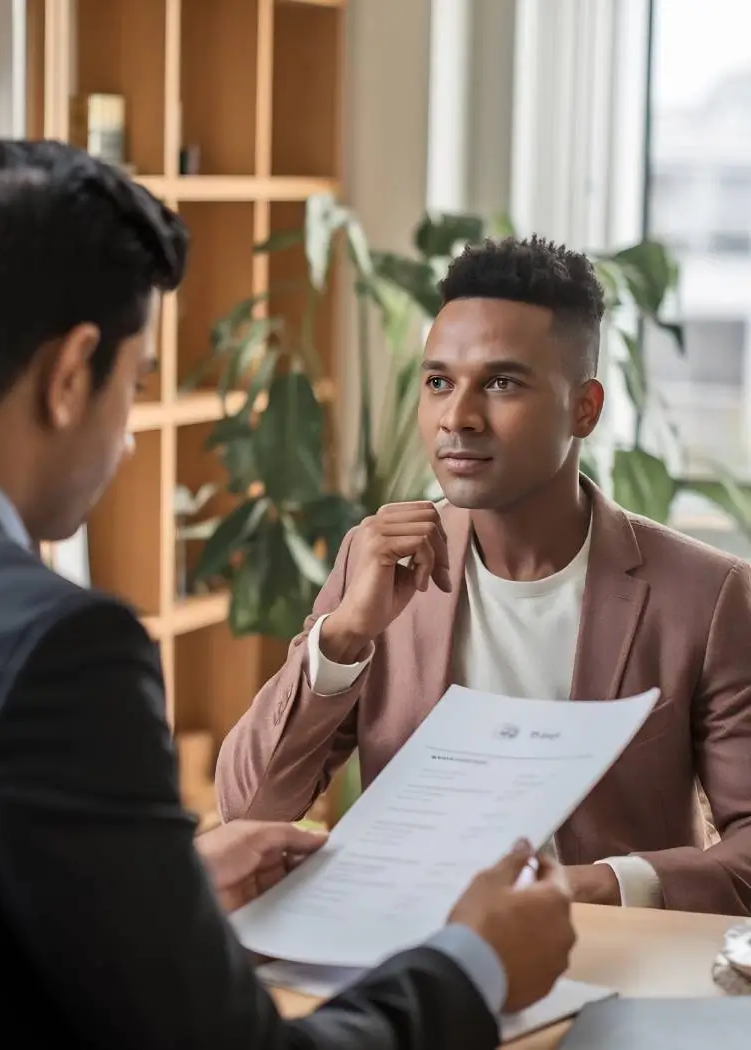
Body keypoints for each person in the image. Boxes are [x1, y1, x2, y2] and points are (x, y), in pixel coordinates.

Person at [0, 139, 576, 1049]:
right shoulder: (55, 647)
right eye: (135, 385)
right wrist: (473, 965)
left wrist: (158, 892)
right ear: (70, 375)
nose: (127, 440)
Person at [218, 235, 751, 918]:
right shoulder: (374, 562)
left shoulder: (705, 597)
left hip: (610, 966)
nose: (457, 417)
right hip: (411, 960)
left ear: (584, 408)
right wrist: (346, 635)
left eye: (501, 383)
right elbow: (250, 806)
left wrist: (601, 885)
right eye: (439, 381)